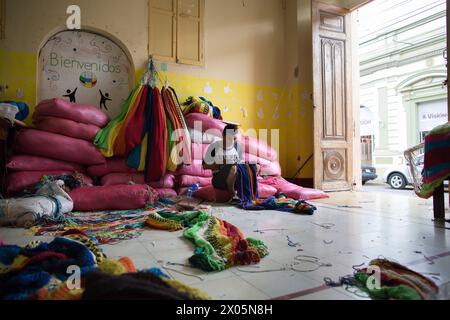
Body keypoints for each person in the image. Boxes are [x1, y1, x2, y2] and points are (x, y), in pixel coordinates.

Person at [203, 123, 242, 197]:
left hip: (235, 178)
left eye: (234, 138)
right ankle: (232, 194)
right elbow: (204, 166)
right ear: (223, 136)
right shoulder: (214, 147)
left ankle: (247, 194)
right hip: (219, 180)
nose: (232, 141)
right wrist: (221, 162)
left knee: (253, 167)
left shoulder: (237, 147)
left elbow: (240, 163)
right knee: (233, 168)